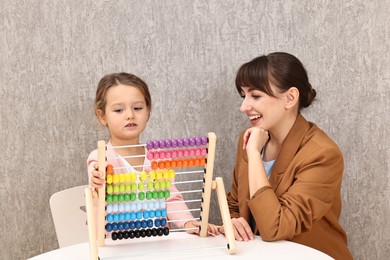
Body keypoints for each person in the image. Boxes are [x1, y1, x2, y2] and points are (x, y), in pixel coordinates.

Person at [220, 52, 353, 259]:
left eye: (255, 96)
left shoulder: (323, 154)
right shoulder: (249, 140)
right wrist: (233, 222)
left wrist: (254, 155)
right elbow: (235, 204)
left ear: (290, 98)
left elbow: (276, 227)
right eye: (243, 96)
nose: (244, 107)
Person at [87, 72, 219, 236]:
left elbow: (170, 198)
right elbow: (96, 171)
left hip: (156, 242)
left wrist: (188, 222)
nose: (130, 115)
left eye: (137, 108)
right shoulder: (102, 157)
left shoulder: (157, 157)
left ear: (148, 111)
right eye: (119, 110)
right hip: (116, 246)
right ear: (102, 116)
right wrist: (98, 175)